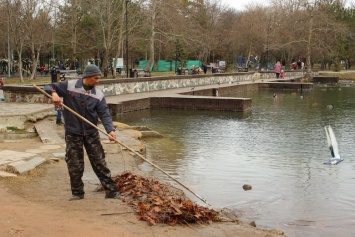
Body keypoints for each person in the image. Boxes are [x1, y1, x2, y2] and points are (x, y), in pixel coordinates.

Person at [44, 64, 120, 201]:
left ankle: (112, 191)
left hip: (91, 133)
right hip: (73, 132)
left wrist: (110, 130)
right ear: (87, 77)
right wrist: (54, 94)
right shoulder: (69, 86)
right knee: (74, 163)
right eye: (96, 78)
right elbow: (48, 86)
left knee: (99, 162)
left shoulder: (98, 95)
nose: (98, 81)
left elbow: (104, 114)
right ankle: (77, 193)